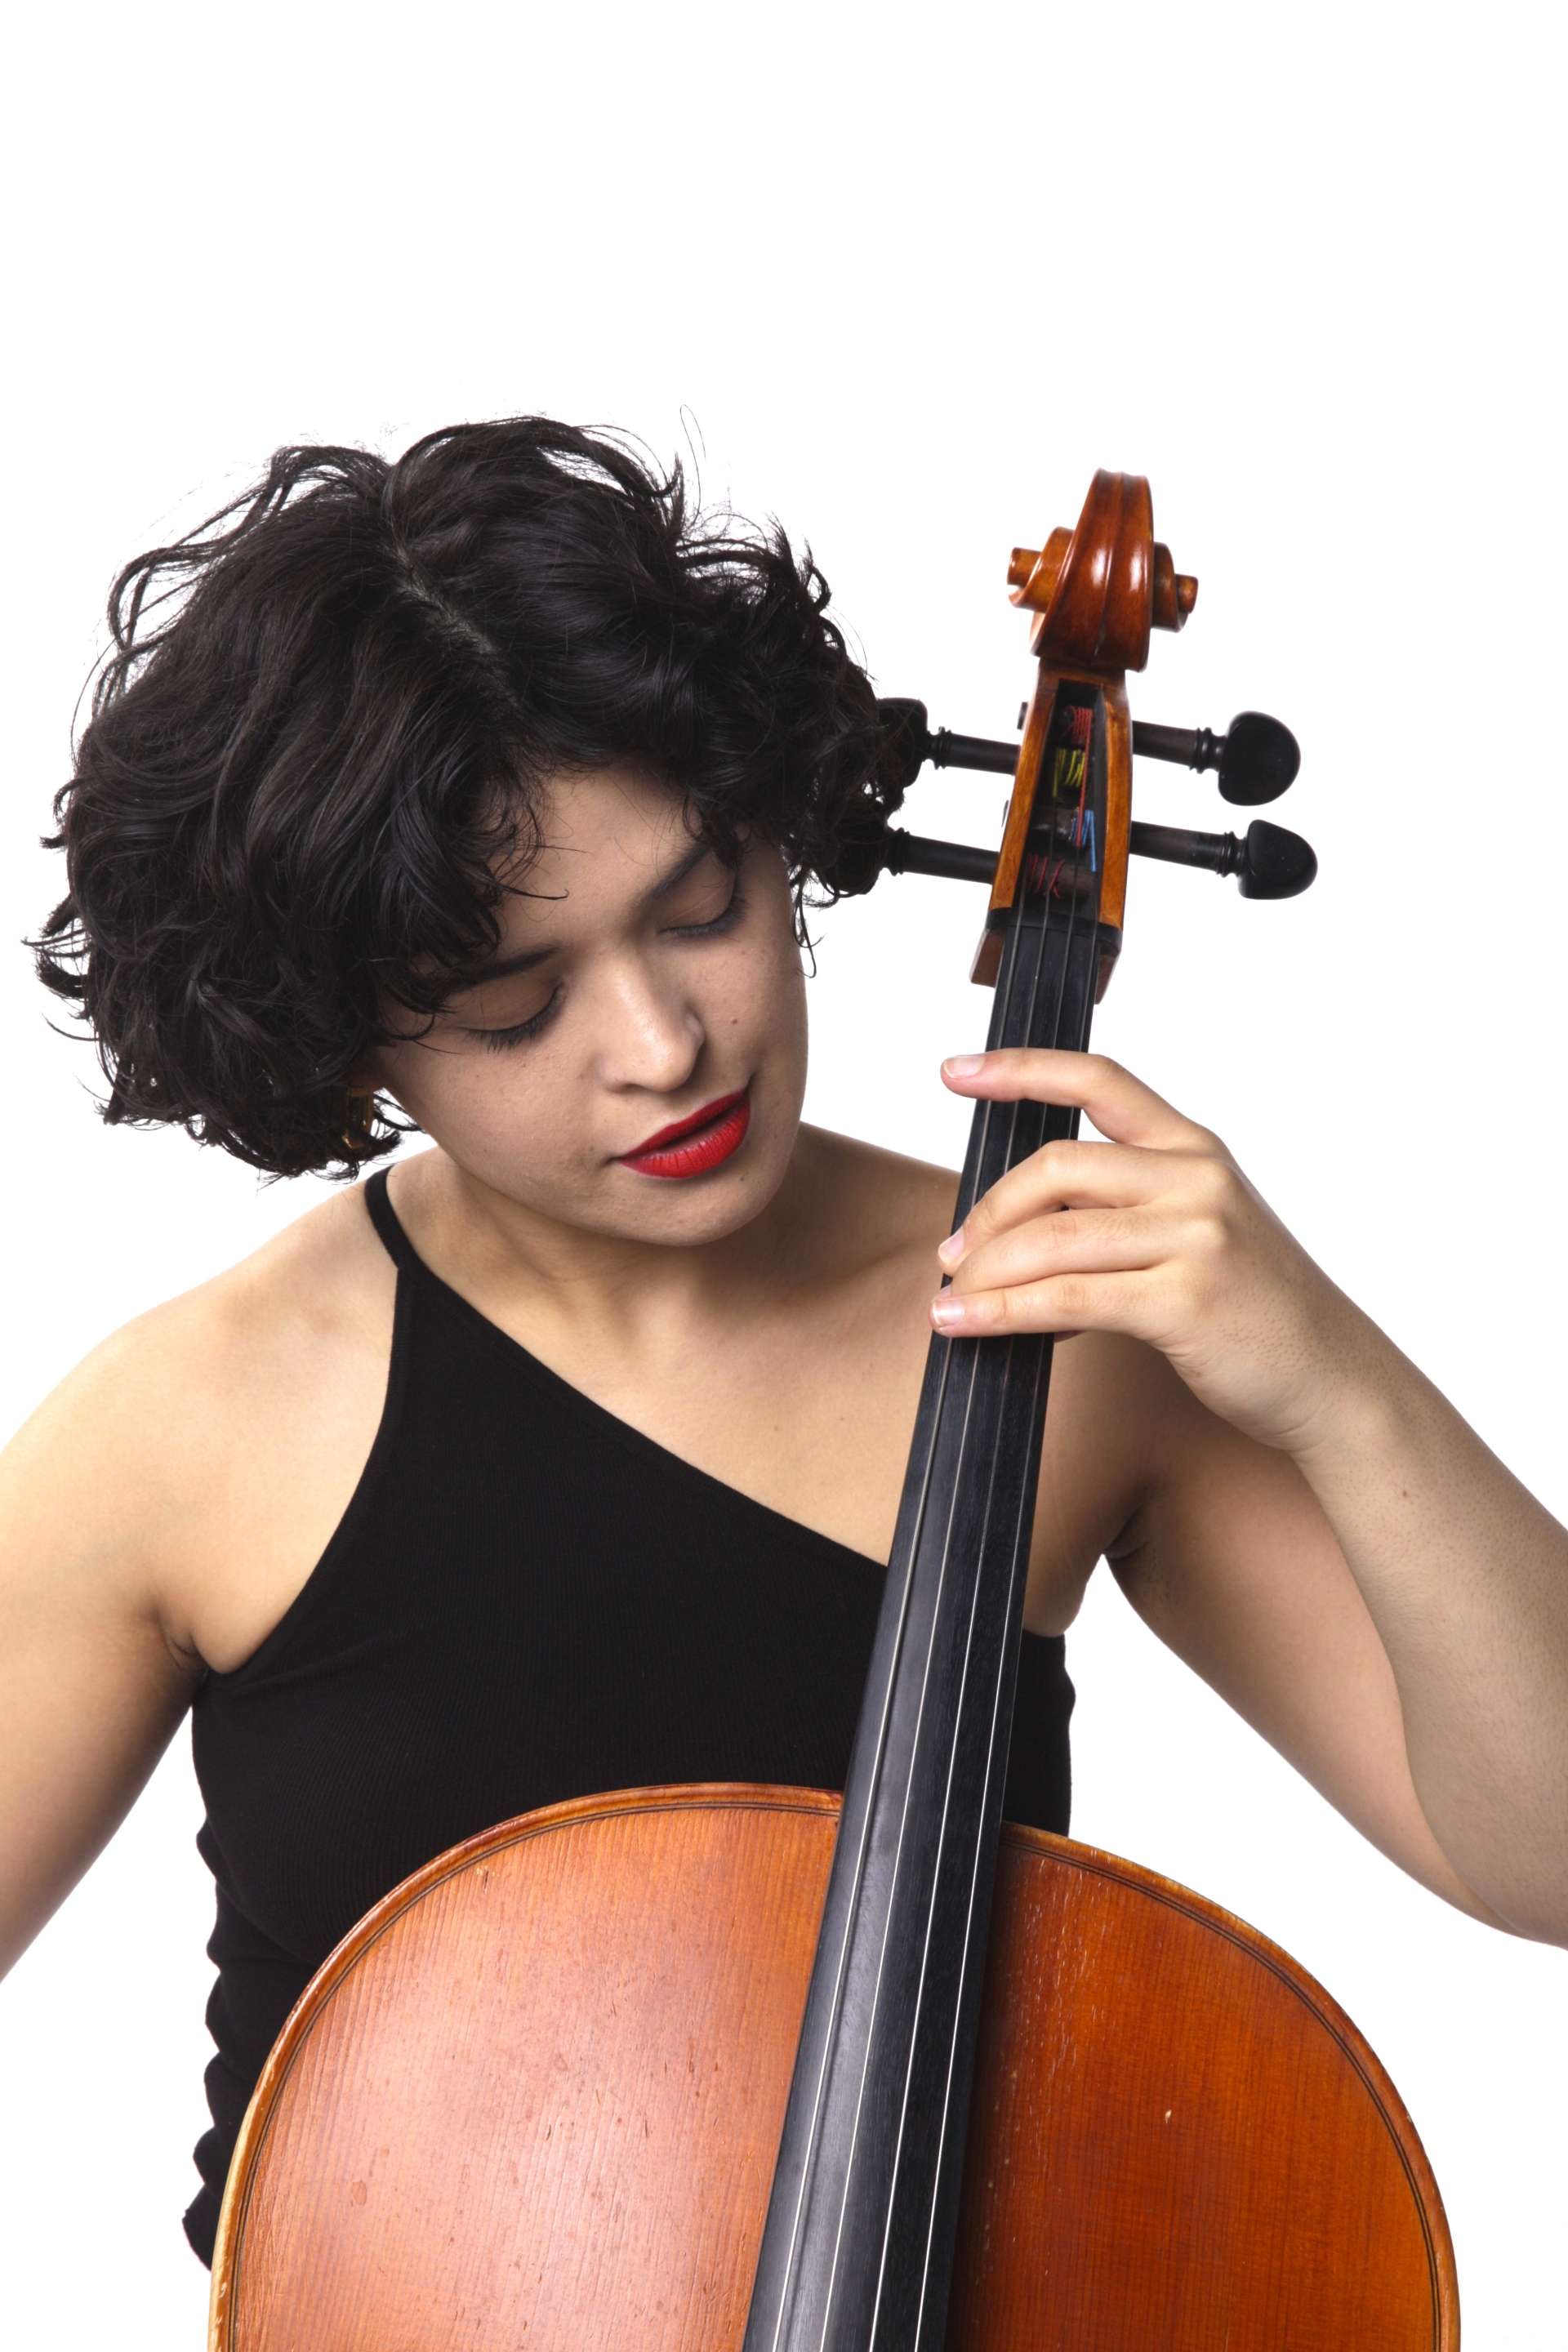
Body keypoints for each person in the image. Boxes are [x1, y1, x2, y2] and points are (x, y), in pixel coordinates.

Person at [4, 416, 1566, 2273]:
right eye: (516, 1006)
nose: (663, 1043)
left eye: (707, 907)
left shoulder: (1055, 1309)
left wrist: (1332, 1374)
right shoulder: (187, 1427)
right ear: (349, 1045)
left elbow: (1543, 1859)